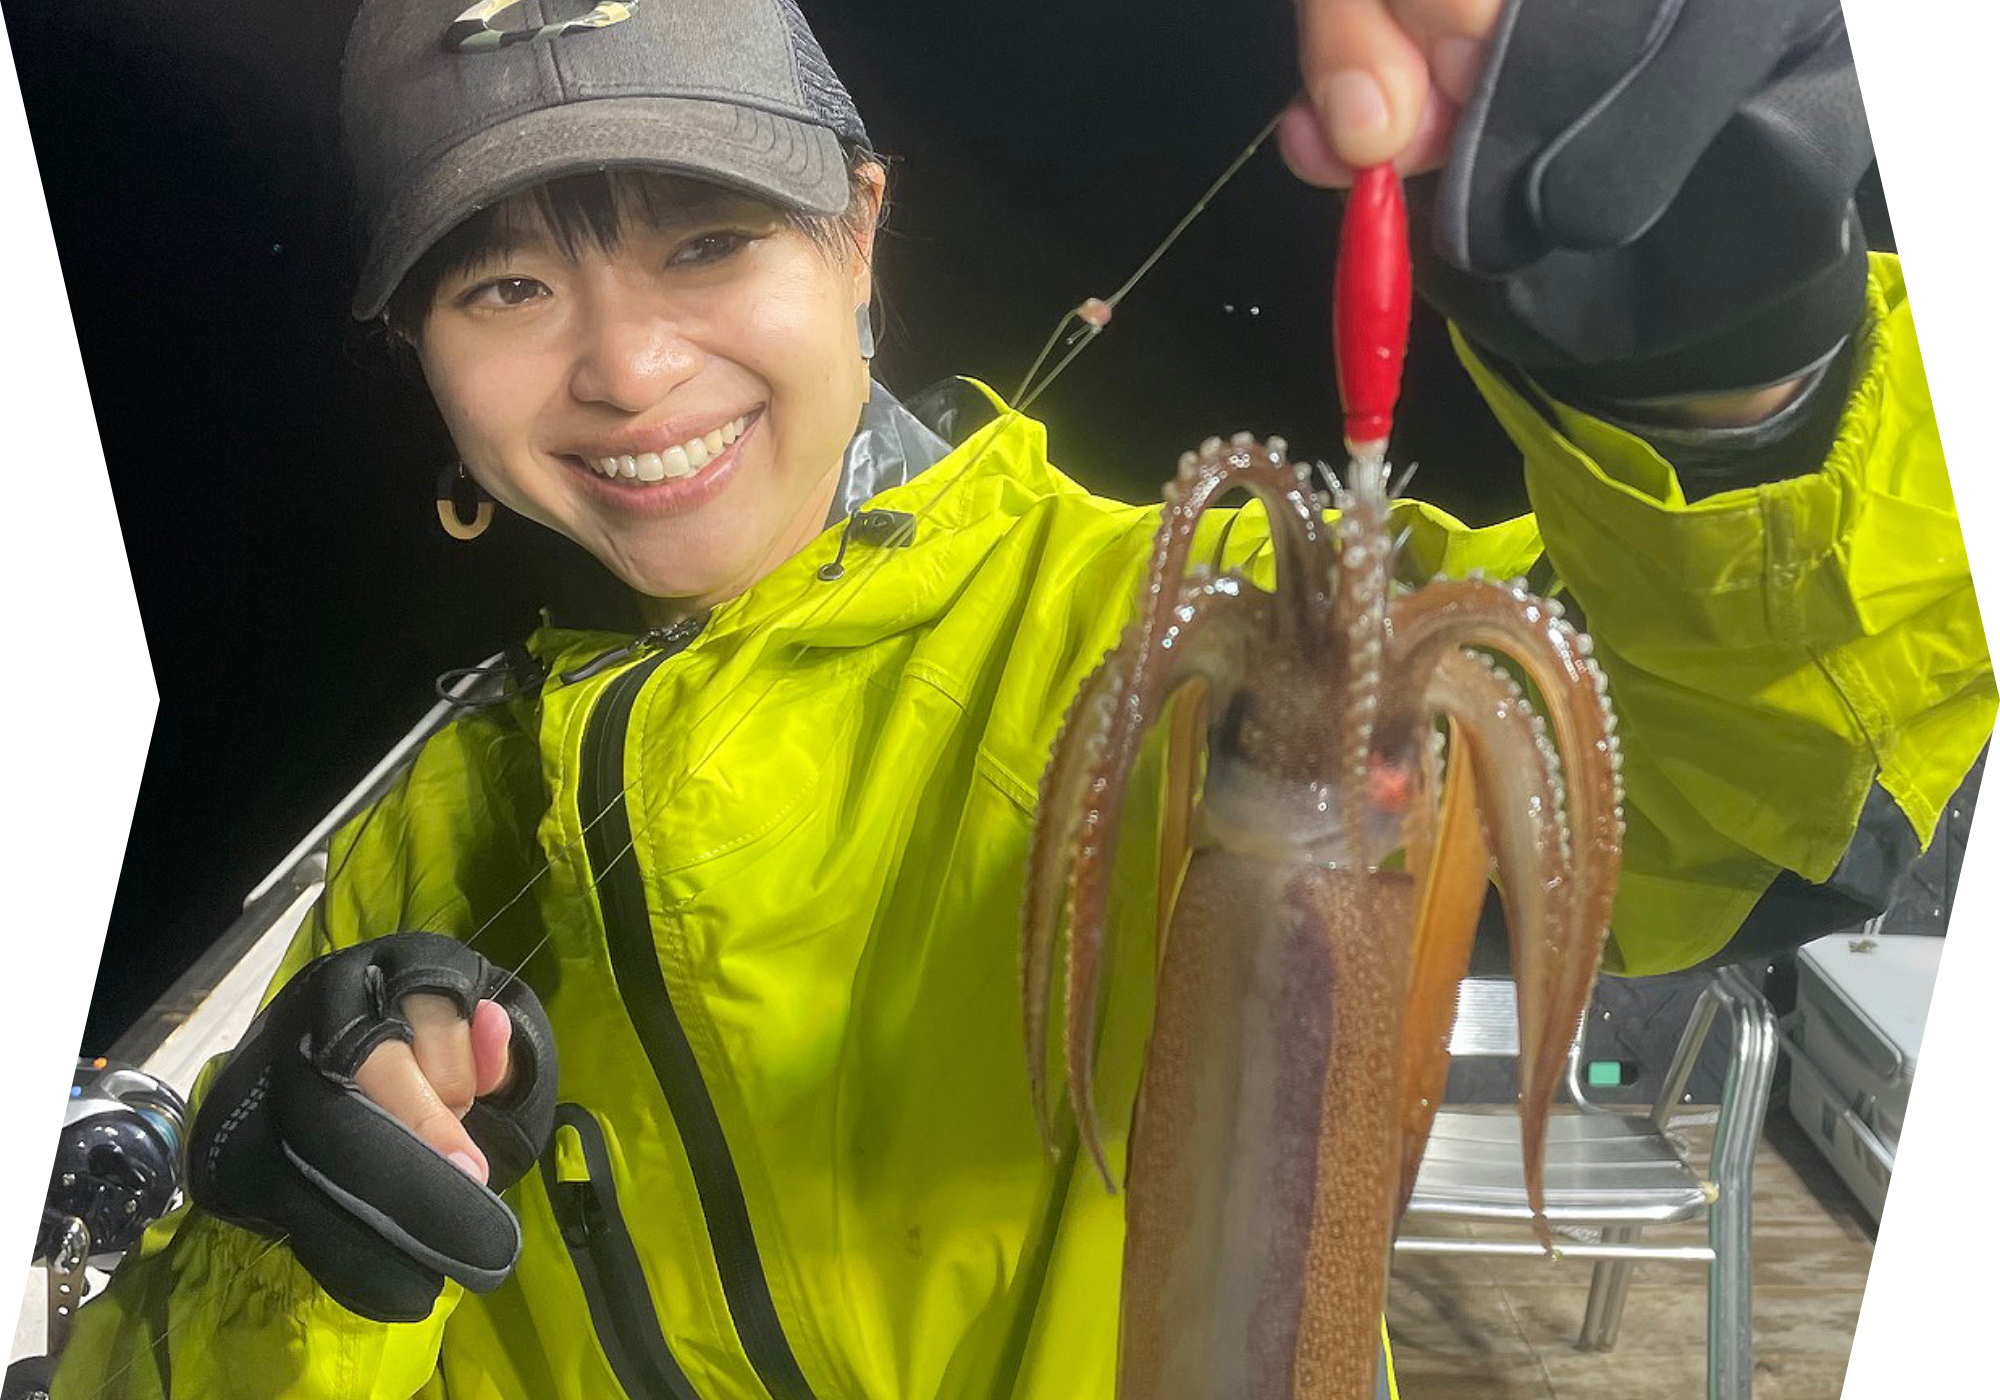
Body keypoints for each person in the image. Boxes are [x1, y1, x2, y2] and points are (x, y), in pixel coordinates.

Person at [52, 0, 1982, 1397]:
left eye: (710, 239)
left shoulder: (1151, 634)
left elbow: (1746, 800)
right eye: (500, 290)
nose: (628, 370)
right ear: (422, 359)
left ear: (863, 236)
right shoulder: (424, 838)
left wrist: (1735, 408)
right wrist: (284, 1245)